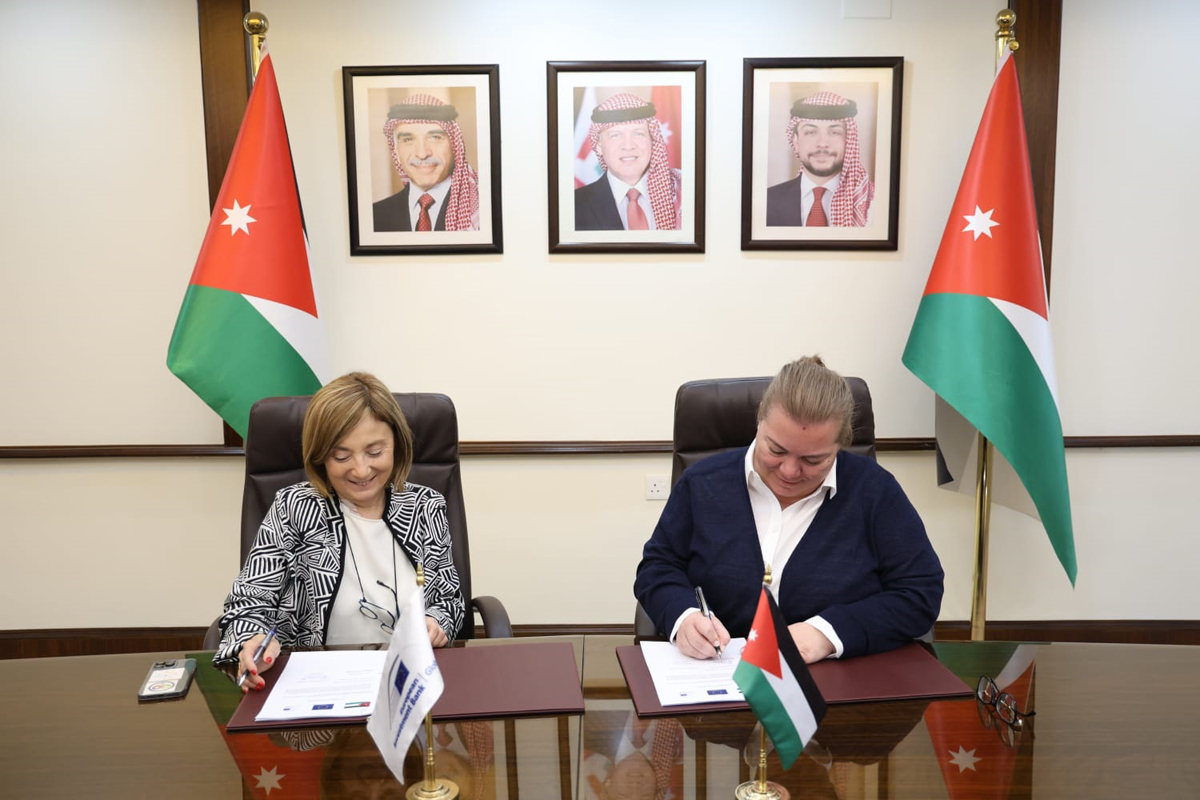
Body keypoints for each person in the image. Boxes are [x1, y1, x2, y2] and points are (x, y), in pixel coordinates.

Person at [634, 356, 943, 663]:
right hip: (717, 670)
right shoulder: (702, 483)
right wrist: (683, 616)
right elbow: (658, 567)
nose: (790, 471)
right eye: (776, 449)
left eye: (813, 460)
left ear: (841, 444)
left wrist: (826, 634)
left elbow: (920, 593)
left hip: (838, 675)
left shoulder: (874, 491)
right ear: (759, 422)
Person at [214, 372, 465, 690]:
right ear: (320, 457)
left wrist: (436, 622)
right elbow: (249, 602)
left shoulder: (425, 506)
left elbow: (448, 599)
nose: (361, 470)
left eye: (375, 452)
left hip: (409, 683)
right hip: (317, 685)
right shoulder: (294, 508)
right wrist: (253, 640)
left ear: (397, 445)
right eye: (341, 456)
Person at [575, 93, 681, 232]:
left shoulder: (683, 192)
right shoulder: (574, 206)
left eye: (639, 133)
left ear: (652, 140)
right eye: (615, 135)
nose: (628, 146)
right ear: (599, 146)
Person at [373, 94, 480, 232]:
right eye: (408, 140)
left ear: (454, 146)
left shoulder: (481, 211)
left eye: (435, 137)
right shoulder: (374, 216)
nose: (422, 154)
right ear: (396, 152)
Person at [766, 92, 874, 227]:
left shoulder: (872, 203)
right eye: (811, 132)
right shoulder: (767, 201)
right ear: (796, 142)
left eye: (834, 132)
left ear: (849, 141)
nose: (822, 143)